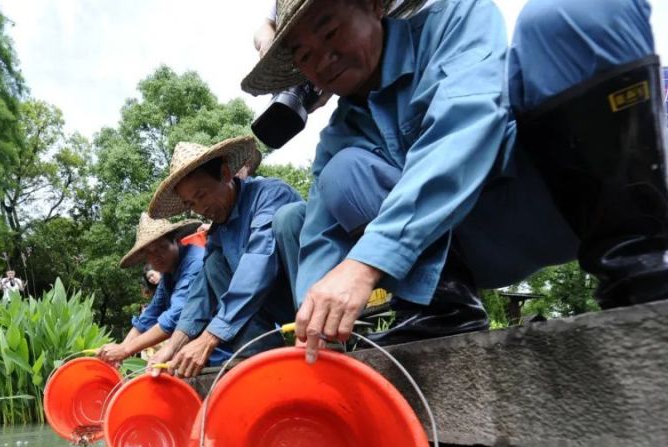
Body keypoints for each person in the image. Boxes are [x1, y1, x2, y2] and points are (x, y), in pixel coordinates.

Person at [243, 0, 668, 362]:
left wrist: (365, 262)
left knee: (569, 11)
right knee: (342, 174)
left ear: (374, 4)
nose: (322, 60)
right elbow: (320, 235)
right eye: (303, 56)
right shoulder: (339, 135)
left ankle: (642, 269)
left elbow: (467, 125)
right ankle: (443, 311)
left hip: (561, 197)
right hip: (470, 250)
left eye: (330, 31)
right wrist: (311, 330)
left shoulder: (456, 18)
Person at [146, 136, 304, 378]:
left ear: (226, 173)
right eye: (191, 204)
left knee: (289, 217)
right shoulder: (219, 231)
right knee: (213, 266)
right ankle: (259, 352)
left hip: (309, 295)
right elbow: (202, 291)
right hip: (274, 308)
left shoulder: (270, 194)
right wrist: (172, 346)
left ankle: (322, 334)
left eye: (202, 195)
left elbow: (258, 262)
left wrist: (210, 337)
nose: (200, 209)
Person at [96, 214, 208, 365]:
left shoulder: (195, 263)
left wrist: (127, 350)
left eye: (161, 247)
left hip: (218, 350)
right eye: (149, 253)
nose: (156, 257)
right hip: (191, 353)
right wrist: (121, 348)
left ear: (175, 240)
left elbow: (177, 315)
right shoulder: (168, 274)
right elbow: (151, 314)